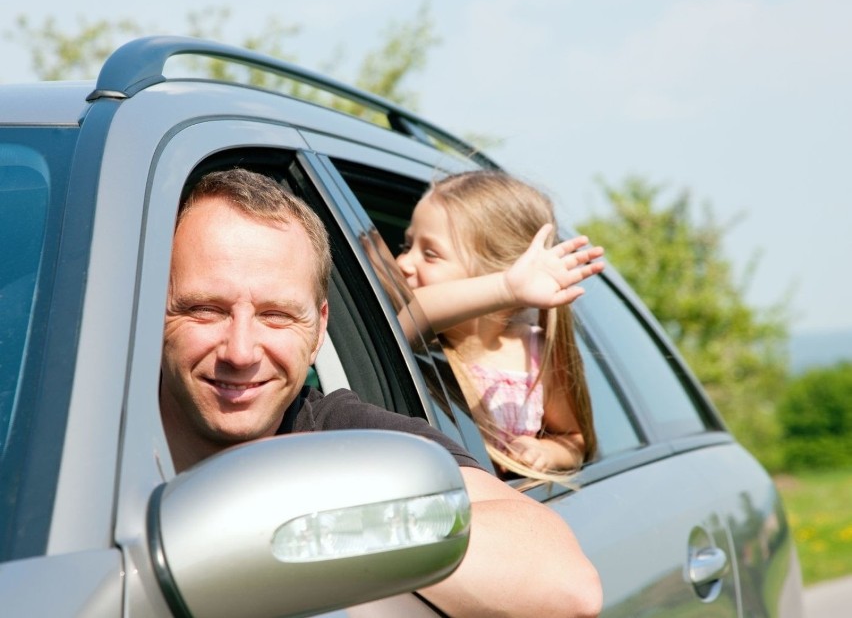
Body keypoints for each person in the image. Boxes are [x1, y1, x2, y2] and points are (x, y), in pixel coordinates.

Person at [158, 168, 602, 618]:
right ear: (152, 309)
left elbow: (569, 587)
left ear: (319, 332)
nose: (241, 350)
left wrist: (303, 531)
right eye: (205, 310)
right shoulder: (85, 428)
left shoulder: (345, 435)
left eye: (277, 316)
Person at [395, 170, 603, 482]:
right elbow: (416, 315)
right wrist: (505, 287)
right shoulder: (417, 341)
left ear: (502, 270)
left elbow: (573, 439)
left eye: (430, 254)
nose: (403, 262)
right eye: (407, 244)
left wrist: (546, 452)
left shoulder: (534, 354)